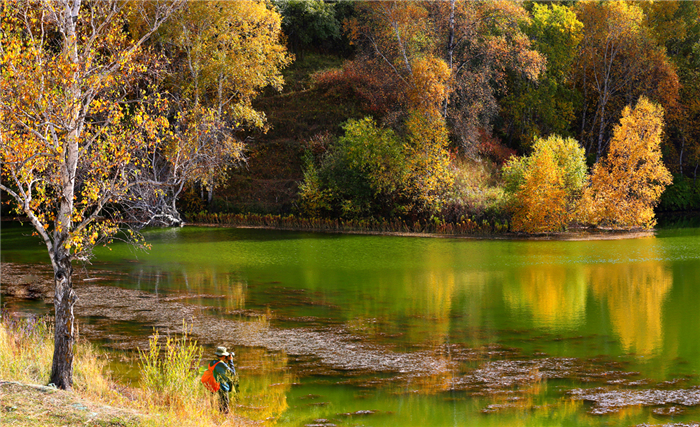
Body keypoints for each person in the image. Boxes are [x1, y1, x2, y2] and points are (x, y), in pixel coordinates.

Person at [209, 346, 239, 413]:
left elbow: (220, 371)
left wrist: (225, 362)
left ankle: (217, 420)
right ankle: (224, 421)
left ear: (216, 355)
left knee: (216, 407)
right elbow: (232, 374)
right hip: (222, 388)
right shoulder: (222, 365)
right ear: (224, 355)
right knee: (225, 409)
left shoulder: (213, 362)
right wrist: (231, 361)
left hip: (213, 387)